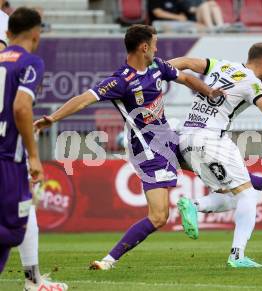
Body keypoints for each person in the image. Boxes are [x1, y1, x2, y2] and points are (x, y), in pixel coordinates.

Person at [33, 24, 225, 270]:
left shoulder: (158, 67)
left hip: (168, 138)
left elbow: (186, 77)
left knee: (212, 165)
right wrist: (53, 118)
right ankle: (108, 261)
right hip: (147, 150)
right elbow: (83, 100)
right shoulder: (120, 81)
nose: (157, 48)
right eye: (154, 44)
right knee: (158, 217)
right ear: (144, 47)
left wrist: (209, 91)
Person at [169, 43, 262, 268]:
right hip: (211, 138)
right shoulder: (252, 82)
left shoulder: (222, 65)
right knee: (247, 196)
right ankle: (237, 256)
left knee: (233, 195)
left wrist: (158, 70)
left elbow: (186, 62)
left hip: (186, 138)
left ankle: (194, 205)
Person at [0, 7, 68, 290]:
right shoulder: (31, 62)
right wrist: (34, 155)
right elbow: (20, 107)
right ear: (37, 34)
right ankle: (33, 281)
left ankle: (33, 281)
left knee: (23, 219)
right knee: (13, 230)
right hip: (8, 159)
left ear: (7, 33)